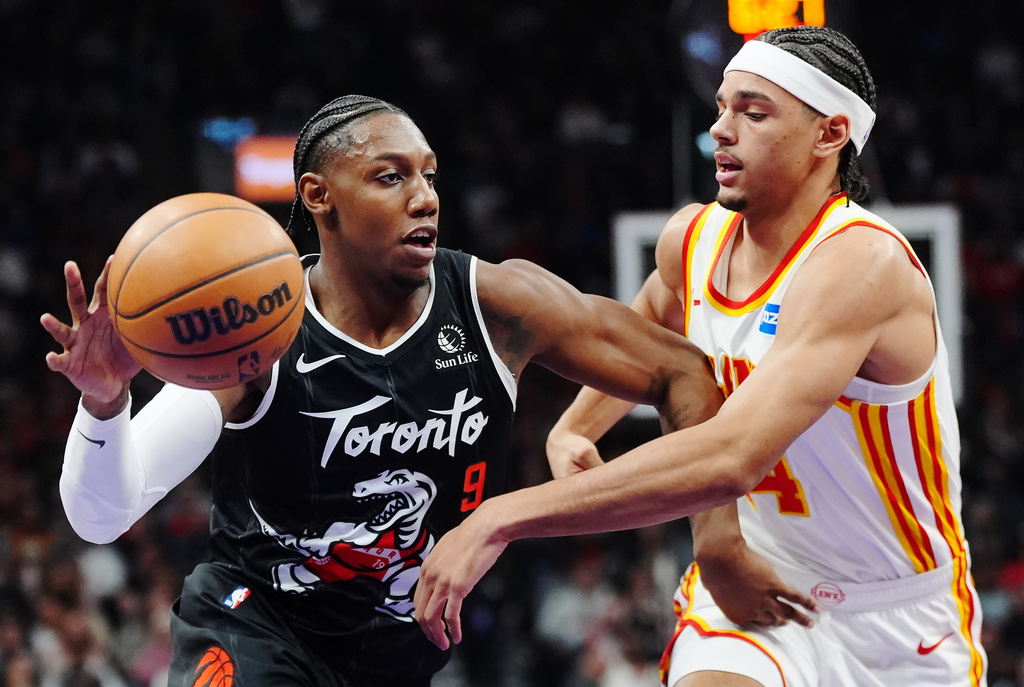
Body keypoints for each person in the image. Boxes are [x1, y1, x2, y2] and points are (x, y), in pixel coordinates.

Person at [40, 95, 727, 686]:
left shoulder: (498, 307)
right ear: (319, 196)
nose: (425, 196)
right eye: (390, 176)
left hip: (398, 656)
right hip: (256, 627)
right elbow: (101, 518)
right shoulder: (257, 333)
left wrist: (720, 545)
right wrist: (104, 402)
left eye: (429, 175)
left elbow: (686, 373)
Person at [413, 26, 988, 687]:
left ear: (829, 135)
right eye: (721, 107)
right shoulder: (693, 239)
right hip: (754, 584)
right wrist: (575, 426)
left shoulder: (862, 265)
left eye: (754, 112)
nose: (721, 128)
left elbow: (731, 456)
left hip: (896, 614)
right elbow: (645, 334)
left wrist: (501, 515)